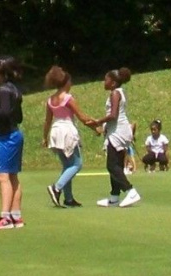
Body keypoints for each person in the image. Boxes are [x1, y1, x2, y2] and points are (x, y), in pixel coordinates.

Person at [42, 66, 98, 208]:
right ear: (66, 82)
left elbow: (47, 120)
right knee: (77, 164)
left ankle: (68, 198)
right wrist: (96, 127)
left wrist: (45, 137)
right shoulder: (68, 98)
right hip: (67, 131)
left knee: (67, 165)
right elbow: (82, 117)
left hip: (56, 131)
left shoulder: (50, 99)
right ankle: (56, 187)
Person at [90, 68, 141, 207]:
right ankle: (114, 197)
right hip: (118, 130)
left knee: (111, 166)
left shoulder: (115, 94)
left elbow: (113, 115)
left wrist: (98, 121)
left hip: (118, 132)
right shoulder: (120, 92)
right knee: (117, 164)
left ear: (113, 83)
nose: (104, 82)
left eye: (106, 79)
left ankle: (130, 191)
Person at [0, 56, 24, 230]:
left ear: (1, 73)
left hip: (7, 137)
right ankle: (15, 215)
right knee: (12, 176)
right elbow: (18, 116)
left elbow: (2, 113)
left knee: (2, 176)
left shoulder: (3, 90)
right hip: (15, 133)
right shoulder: (14, 89)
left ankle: (5, 217)